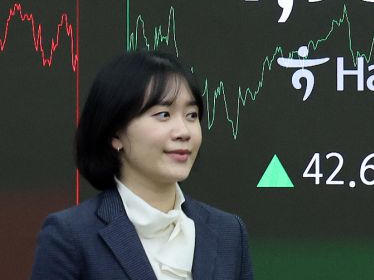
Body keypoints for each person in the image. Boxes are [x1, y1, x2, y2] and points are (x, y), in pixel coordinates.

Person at [30, 50, 254, 280]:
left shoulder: (228, 232)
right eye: (164, 114)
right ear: (115, 133)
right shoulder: (70, 236)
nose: (184, 132)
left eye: (191, 115)